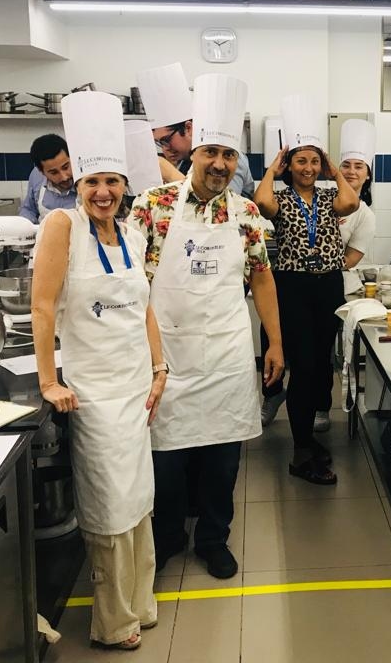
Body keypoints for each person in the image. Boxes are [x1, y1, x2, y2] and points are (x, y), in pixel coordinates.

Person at [127, 74, 283, 580]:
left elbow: (261, 278)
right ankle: (169, 536)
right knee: (166, 457)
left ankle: (214, 538)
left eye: (229, 155)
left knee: (222, 459)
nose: (220, 164)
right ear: (193, 153)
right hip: (167, 355)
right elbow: (131, 283)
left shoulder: (247, 214)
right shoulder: (152, 206)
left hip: (226, 353)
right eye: (211, 152)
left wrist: (275, 342)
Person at [31, 91, 166, 651]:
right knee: (109, 507)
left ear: (124, 185)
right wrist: (48, 380)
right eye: (92, 182)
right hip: (95, 396)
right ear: (77, 185)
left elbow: (145, 307)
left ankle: (140, 603)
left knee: (139, 501)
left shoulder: (132, 233)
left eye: (112, 181)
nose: (103, 192)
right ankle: (112, 622)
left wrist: (160, 368)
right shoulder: (61, 226)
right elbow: (43, 307)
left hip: (137, 391)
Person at [254, 94, 359, 485]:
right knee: (304, 368)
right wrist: (273, 168)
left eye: (314, 161)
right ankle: (300, 451)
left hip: (329, 285)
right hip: (293, 287)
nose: (309, 168)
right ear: (290, 165)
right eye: (301, 161)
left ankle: (307, 441)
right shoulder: (281, 198)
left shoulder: (330, 196)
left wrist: (333, 168)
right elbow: (260, 202)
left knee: (319, 369)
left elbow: (351, 202)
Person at [310, 118, 377, 433]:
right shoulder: (321, 196)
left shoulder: (365, 215)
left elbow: (351, 259)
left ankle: (321, 406)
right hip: (302, 283)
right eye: (346, 165)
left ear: (368, 174)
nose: (351, 171)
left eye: (358, 166)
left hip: (334, 287)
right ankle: (278, 397)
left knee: (322, 350)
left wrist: (319, 258)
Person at [137, 60, 252, 194]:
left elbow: (221, 203)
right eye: (159, 143)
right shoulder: (184, 160)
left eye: (166, 140)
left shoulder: (228, 158)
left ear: (188, 128)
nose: (164, 149)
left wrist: (170, 173)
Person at [19, 134, 76, 224]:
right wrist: (26, 224)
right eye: (54, 172)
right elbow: (29, 209)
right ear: (42, 172)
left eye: (66, 167)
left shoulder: (86, 178)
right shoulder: (36, 176)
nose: (64, 177)